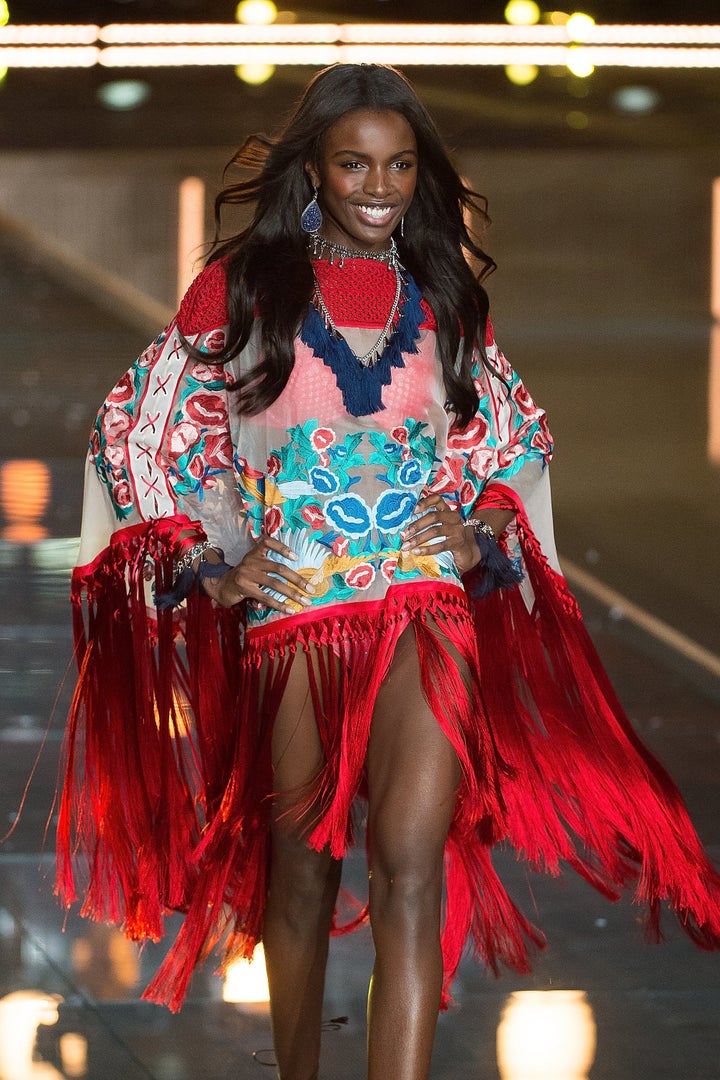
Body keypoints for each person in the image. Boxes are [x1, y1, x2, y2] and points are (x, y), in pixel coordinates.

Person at [57, 63, 720, 1080]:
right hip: (295, 619)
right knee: (302, 876)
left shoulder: (446, 294)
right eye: (355, 163)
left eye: (401, 165)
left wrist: (483, 528)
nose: (380, 186)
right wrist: (211, 566)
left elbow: (510, 437)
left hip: (424, 610)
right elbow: (139, 429)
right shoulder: (240, 290)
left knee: (413, 868)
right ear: (313, 171)